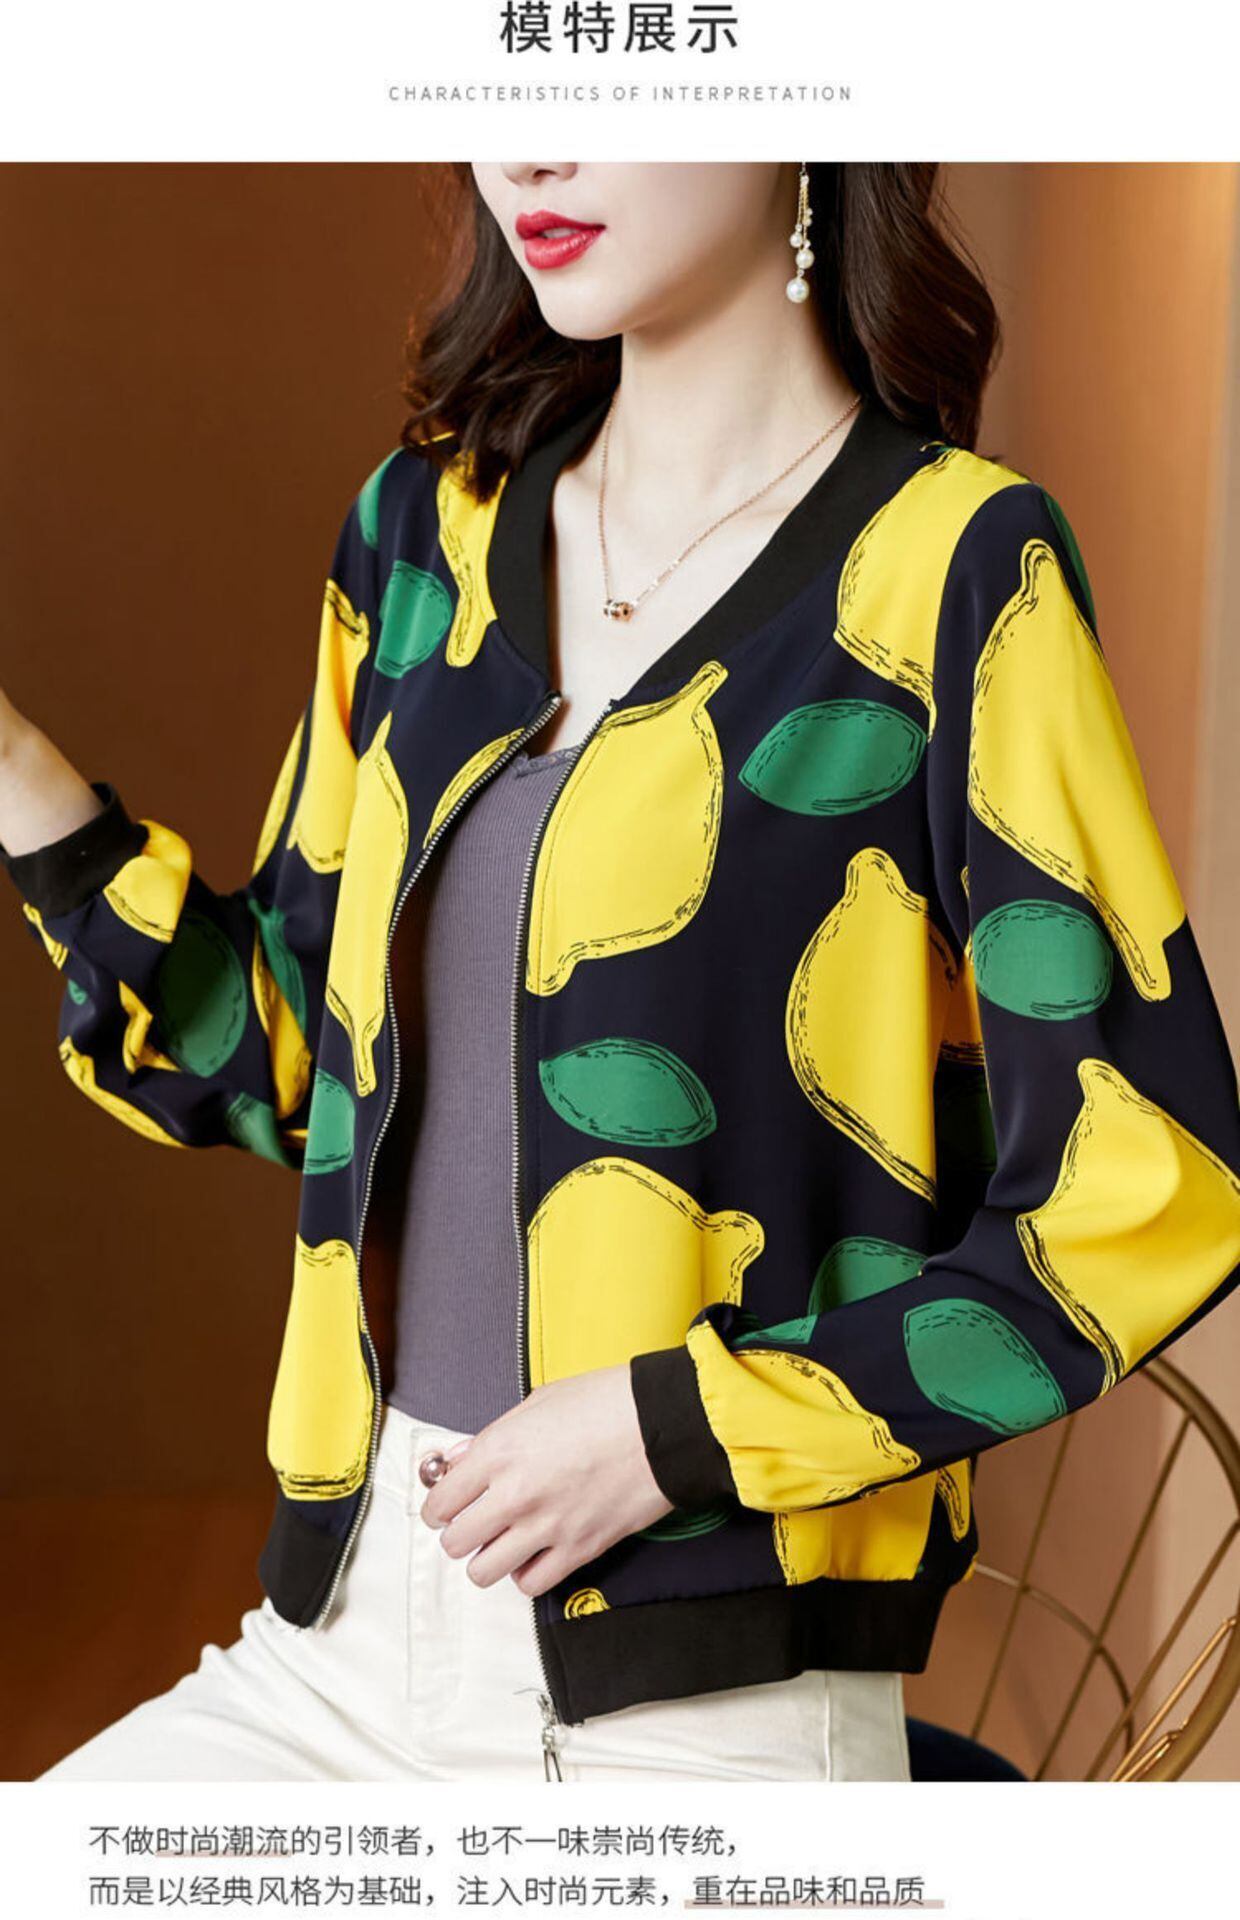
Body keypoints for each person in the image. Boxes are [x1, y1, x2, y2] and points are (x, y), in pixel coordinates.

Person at [3, 161, 1238, 1784]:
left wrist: (679, 1430)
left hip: (705, 1708)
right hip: (340, 1652)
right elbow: (296, 1063)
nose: (534, 150)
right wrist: (18, 775)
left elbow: (1155, 1185)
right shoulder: (421, 534)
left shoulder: (952, 569)